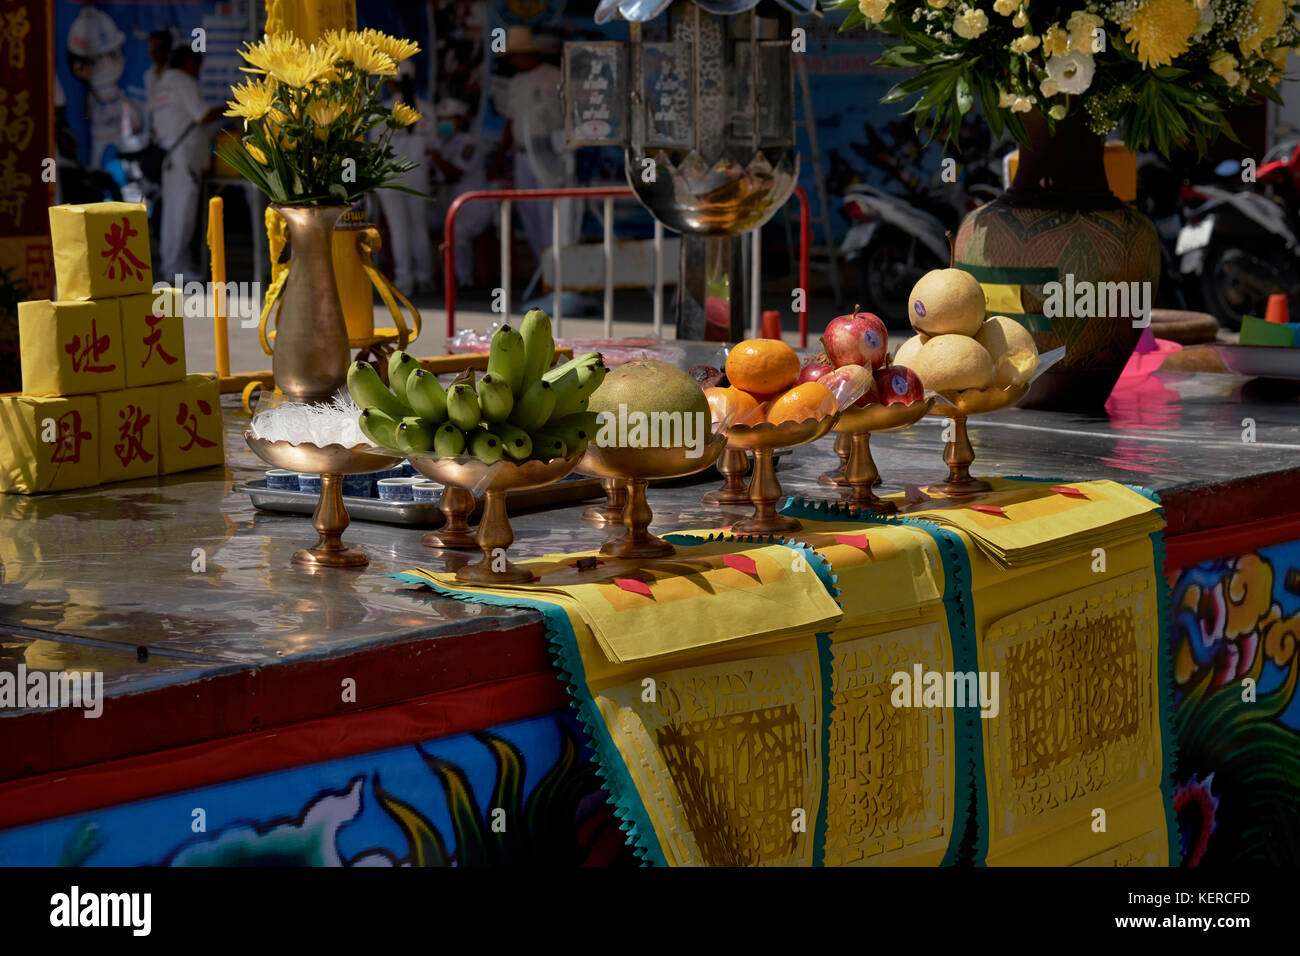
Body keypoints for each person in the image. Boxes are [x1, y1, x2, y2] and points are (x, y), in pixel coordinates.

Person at [148, 48, 222, 284]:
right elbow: (202, 115)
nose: (198, 71)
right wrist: (235, 105)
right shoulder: (184, 82)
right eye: (197, 65)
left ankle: (176, 265)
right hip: (184, 159)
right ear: (189, 63)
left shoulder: (160, 86)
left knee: (173, 215)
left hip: (170, 158)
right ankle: (175, 270)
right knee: (182, 216)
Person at [498, 26, 562, 262]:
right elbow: (510, 120)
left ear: (527, 53)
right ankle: (542, 269)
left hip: (548, 152)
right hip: (522, 154)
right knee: (528, 211)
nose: (512, 61)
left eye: (515, 54)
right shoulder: (515, 83)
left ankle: (554, 268)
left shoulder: (553, 77)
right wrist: (501, 154)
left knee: (549, 212)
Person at [377, 62, 437, 294]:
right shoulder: (427, 110)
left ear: (390, 82)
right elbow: (432, 145)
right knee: (417, 227)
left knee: (398, 228)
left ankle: (404, 280)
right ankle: (424, 276)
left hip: (390, 178)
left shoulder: (383, 110)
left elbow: (377, 147)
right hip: (418, 175)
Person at [429, 99, 489, 287]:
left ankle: (464, 279)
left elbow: (454, 171)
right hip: (446, 202)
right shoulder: (440, 142)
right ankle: (429, 276)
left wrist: (435, 157)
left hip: (473, 207)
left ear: (460, 120)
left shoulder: (469, 143)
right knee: (419, 222)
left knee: (456, 231)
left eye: (449, 119)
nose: (444, 123)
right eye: (441, 119)